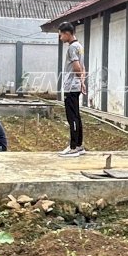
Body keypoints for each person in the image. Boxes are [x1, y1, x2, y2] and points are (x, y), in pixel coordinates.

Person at [57, 21, 86, 156]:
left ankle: (73, 147)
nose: (60, 38)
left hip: (71, 87)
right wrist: (82, 82)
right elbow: (82, 67)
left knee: (72, 117)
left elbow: (76, 67)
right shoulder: (79, 46)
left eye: (61, 35)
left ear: (67, 34)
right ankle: (79, 145)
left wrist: (79, 80)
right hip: (76, 86)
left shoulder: (71, 48)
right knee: (77, 116)